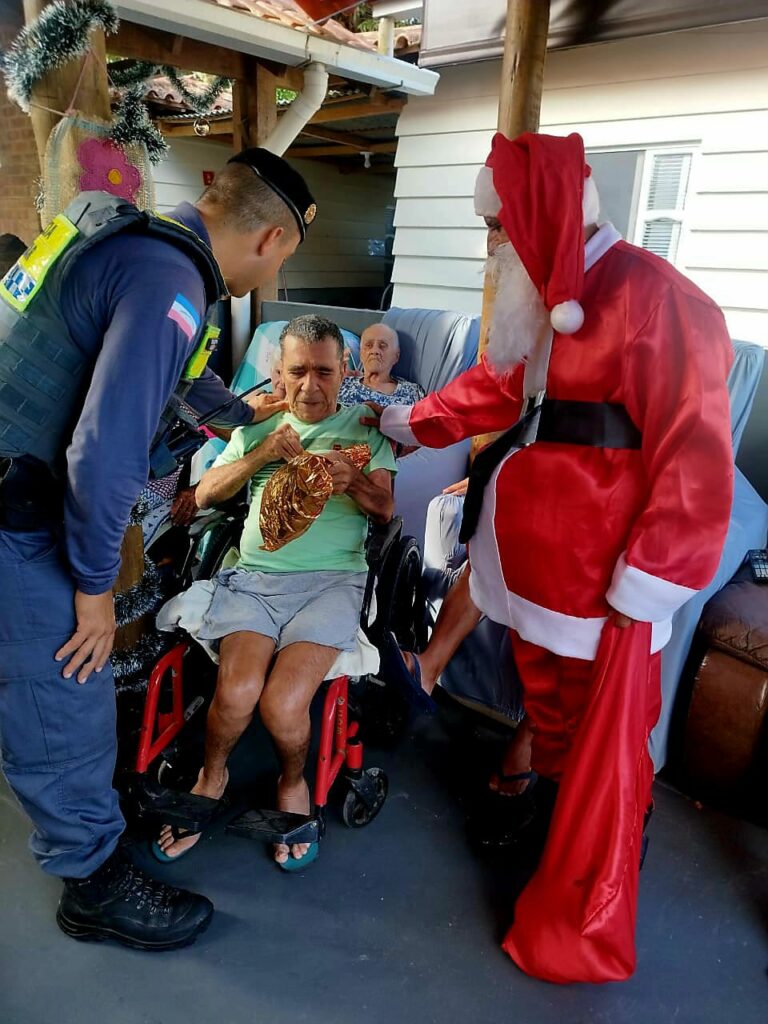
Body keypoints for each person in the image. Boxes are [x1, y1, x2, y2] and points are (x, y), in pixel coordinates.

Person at [365, 131, 734, 981]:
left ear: (535, 219)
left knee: (605, 736)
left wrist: (652, 578)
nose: (491, 244)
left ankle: (593, 875)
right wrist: (404, 423)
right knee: (555, 714)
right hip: (531, 571)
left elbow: (696, 453)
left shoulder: (657, 298)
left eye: (498, 226)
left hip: (603, 582)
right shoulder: (542, 300)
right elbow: (493, 387)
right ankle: (560, 824)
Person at [0, 147, 316, 950]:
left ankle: (92, 825)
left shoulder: (139, 241)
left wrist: (246, 414)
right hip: (14, 510)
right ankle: (93, 884)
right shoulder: (172, 284)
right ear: (274, 240)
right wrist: (95, 587)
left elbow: (179, 381)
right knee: (66, 686)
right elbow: (104, 455)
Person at [154, 314, 396, 869]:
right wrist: (260, 454)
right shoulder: (256, 426)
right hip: (256, 581)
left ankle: (293, 781)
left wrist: (352, 481)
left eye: (324, 372)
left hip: (331, 583)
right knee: (236, 692)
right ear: (279, 373)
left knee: (284, 702)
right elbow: (203, 494)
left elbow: (385, 510)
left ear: (346, 372)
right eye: (298, 372)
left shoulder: (366, 428)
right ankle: (212, 778)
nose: (311, 386)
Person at [339, 323, 424, 407]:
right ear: (361, 354)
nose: (375, 351)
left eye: (383, 346)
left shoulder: (412, 393)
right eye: (369, 345)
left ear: (396, 356)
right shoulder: (342, 384)